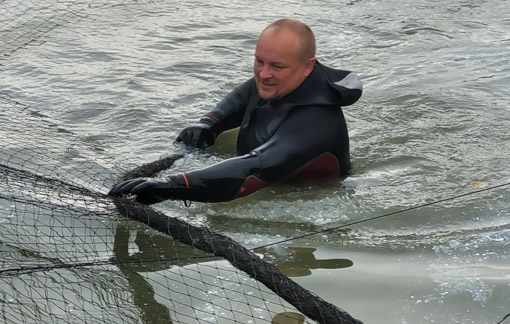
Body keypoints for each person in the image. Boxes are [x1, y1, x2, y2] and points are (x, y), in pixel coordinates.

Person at [109, 19, 362, 204]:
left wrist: (172, 185)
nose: (263, 74)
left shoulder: (315, 123)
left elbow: (253, 167)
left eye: (277, 66)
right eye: (259, 61)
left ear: (307, 67)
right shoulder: (277, 82)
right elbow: (242, 97)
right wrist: (209, 124)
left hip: (305, 203)